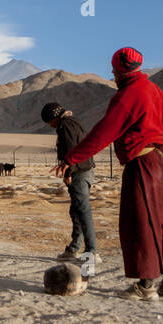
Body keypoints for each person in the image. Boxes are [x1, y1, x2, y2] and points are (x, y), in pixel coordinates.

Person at [56, 47, 163, 300]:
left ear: (122, 70)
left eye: (114, 70)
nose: (112, 74)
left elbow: (103, 133)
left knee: (141, 222)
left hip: (142, 163)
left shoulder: (128, 95)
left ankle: (146, 286)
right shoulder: (155, 91)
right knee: (162, 220)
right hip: (161, 159)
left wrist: (72, 158)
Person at [42, 102, 98, 263]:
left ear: (53, 118)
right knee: (76, 210)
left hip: (79, 172)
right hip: (83, 169)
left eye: (49, 122)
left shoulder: (65, 126)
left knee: (83, 210)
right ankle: (74, 248)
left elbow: (72, 150)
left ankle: (91, 252)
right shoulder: (73, 122)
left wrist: (67, 172)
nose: (50, 125)